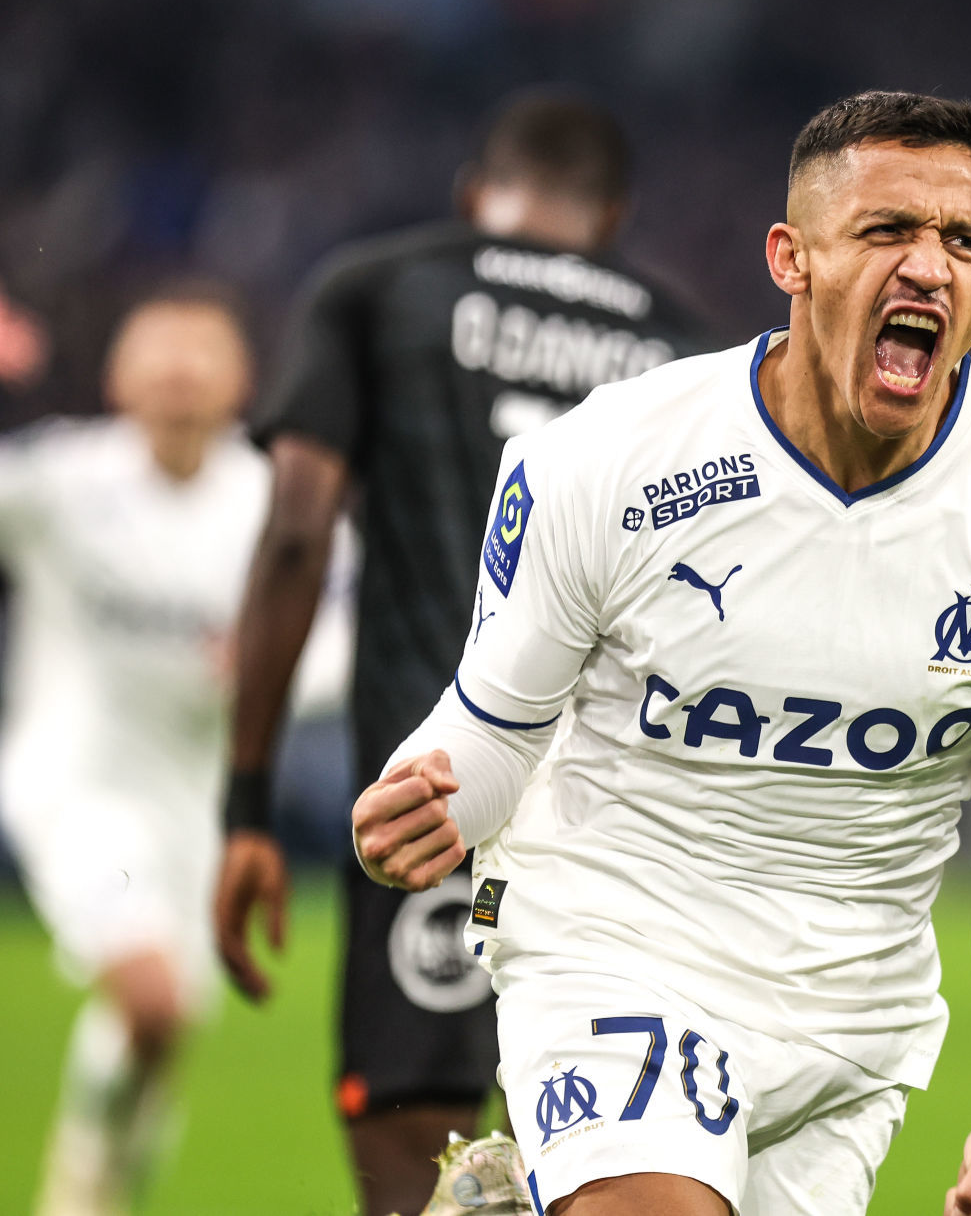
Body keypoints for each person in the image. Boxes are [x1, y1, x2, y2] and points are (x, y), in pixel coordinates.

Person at [352, 90, 971, 1216]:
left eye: (965, 242)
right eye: (887, 230)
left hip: (848, 1026)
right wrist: (428, 802)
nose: (929, 266)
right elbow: (494, 733)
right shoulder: (610, 460)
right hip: (614, 934)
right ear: (790, 258)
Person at [212, 89, 707, 1216]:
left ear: (474, 194)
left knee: (416, 1156)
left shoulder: (378, 290)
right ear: (614, 215)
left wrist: (246, 806)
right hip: (625, 826)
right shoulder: (686, 349)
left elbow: (295, 534)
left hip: (430, 795)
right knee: (592, 1165)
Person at [0, 286, 267, 1214]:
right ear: (118, 376)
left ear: (242, 378)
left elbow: (338, 631)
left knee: (161, 1030)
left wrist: (270, 662)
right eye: (160, 348)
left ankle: (98, 1175)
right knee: (150, 999)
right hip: (74, 786)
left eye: (202, 350)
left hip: (194, 806)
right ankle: (83, 1187)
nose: (181, 370)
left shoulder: (273, 498)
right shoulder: (59, 479)